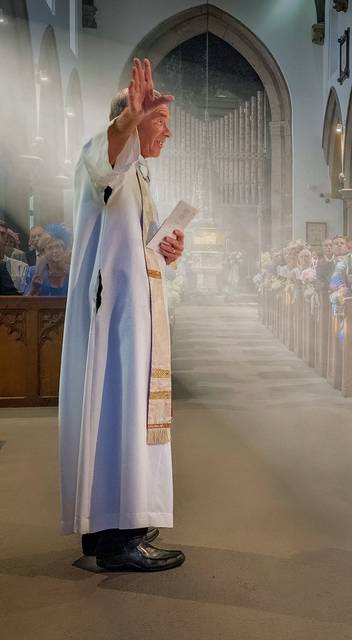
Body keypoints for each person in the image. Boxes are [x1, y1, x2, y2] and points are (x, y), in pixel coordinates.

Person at [60, 58, 186, 571]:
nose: (169, 131)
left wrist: (164, 248)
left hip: (133, 321)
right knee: (118, 420)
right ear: (131, 117)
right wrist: (129, 120)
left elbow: (131, 246)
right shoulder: (106, 152)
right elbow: (106, 160)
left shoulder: (138, 173)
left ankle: (110, 524)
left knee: (122, 422)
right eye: (161, 120)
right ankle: (119, 541)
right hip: (114, 323)